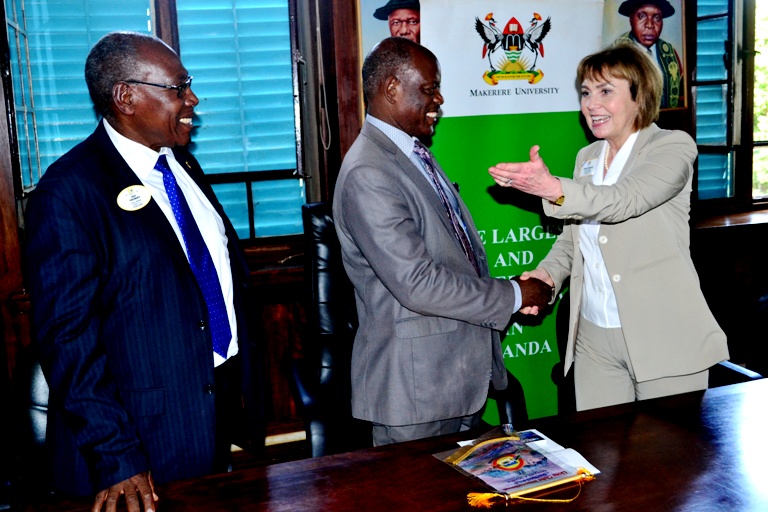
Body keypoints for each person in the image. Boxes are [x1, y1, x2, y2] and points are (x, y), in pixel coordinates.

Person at [25, 31, 264, 511]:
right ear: (126, 96)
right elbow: (68, 340)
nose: (191, 99)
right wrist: (117, 457)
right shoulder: (69, 192)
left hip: (207, 421)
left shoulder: (181, 166)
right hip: (134, 452)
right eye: (178, 87)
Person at [333, 37, 552, 446]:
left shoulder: (412, 152)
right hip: (415, 393)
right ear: (392, 88)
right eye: (429, 88)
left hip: (455, 379)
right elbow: (418, 284)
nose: (439, 98)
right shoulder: (369, 172)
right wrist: (513, 296)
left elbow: (454, 259)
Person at [488, 44, 729, 411]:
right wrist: (545, 277)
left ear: (639, 96)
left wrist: (552, 188)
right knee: (605, 459)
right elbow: (574, 239)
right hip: (593, 339)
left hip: (663, 334)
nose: (591, 104)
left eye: (605, 91)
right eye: (586, 93)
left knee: (664, 463)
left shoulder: (672, 147)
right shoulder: (587, 158)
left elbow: (623, 200)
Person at [613, 0, 684, 108]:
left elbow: (681, 97)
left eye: (657, 18)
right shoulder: (616, 54)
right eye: (641, 16)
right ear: (631, 19)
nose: (650, 25)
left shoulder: (670, 54)